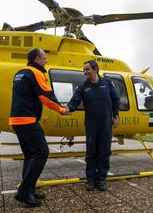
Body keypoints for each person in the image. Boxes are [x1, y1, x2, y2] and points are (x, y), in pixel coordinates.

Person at [9, 48, 67, 207]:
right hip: (27, 119)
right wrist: (62, 109)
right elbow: (45, 96)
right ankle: (23, 192)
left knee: (30, 155)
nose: (46, 61)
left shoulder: (19, 73)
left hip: (16, 119)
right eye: (44, 58)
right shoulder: (35, 73)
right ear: (36, 59)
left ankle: (29, 190)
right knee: (42, 152)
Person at [66, 60, 120, 191]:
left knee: (104, 152)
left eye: (87, 69)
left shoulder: (107, 83)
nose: (85, 72)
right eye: (84, 70)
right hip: (91, 125)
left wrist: (116, 116)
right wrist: (67, 109)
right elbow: (74, 102)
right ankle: (91, 180)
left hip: (106, 124)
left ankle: (101, 180)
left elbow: (115, 99)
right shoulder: (83, 87)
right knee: (91, 153)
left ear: (95, 69)